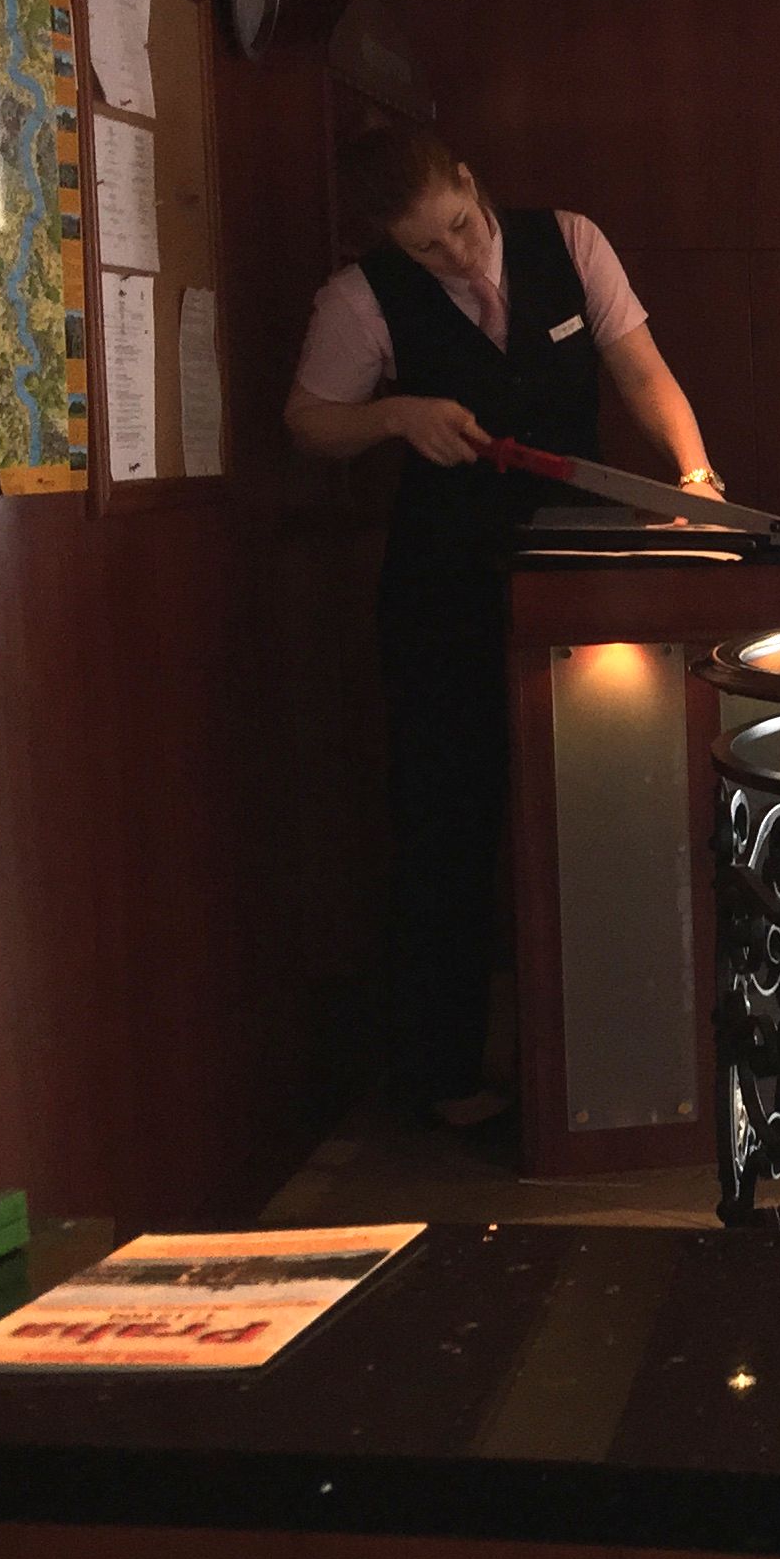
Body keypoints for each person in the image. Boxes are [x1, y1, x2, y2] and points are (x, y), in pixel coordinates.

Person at [285, 126, 720, 1130]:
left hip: (578, 577)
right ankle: (441, 1078)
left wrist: (694, 478)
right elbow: (308, 420)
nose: (455, 253)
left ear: (471, 183)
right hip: (443, 590)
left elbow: (641, 373)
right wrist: (395, 416)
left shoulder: (570, 241)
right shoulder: (359, 299)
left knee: (604, 807)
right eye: (425, 246)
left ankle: (612, 1067)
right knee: (446, 823)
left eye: (460, 226)